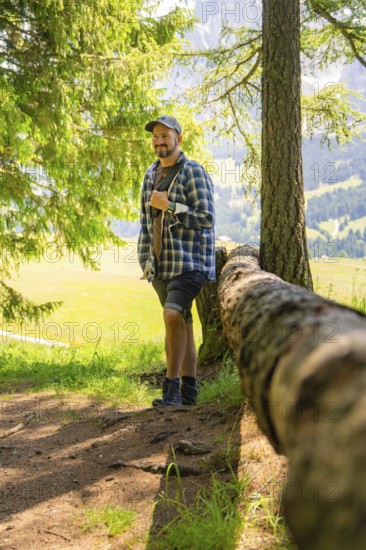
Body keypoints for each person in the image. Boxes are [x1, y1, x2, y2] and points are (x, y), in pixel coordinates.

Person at [137, 115, 216, 406]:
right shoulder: (150, 174)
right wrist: (145, 259)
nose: (159, 140)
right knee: (181, 321)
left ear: (178, 139)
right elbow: (146, 222)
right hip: (160, 264)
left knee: (171, 315)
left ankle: (170, 391)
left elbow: (206, 218)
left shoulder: (193, 172)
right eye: (155, 136)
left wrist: (170, 206)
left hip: (190, 262)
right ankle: (190, 391)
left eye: (165, 136)